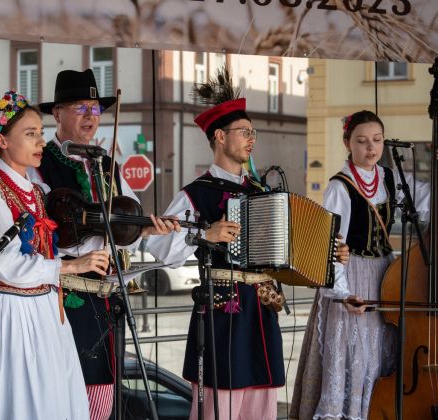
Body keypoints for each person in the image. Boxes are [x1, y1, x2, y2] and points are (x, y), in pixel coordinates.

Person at [0, 89, 111, 419]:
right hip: (9, 315)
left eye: (41, 133)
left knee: (52, 400)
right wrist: (70, 266)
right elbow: (8, 266)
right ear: (2, 141)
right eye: (30, 134)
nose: (40, 142)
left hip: (44, 313)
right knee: (20, 401)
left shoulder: (36, 192)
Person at [29, 68, 179, 420]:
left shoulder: (109, 165)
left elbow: (125, 223)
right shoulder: (40, 164)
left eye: (95, 110)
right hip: (64, 295)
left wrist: (147, 228)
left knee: (104, 388)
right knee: (67, 386)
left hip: (107, 296)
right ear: (58, 113)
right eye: (80, 108)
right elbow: (40, 228)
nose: (90, 117)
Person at [147, 67, 286, 420]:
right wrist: (203, 235)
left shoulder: (262, 193)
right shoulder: (195, 194)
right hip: (222, 313)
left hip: (260, 310)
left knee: (261, 406)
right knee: (219, 407)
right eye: (244, 132)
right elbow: (161, 250)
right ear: (221, 137)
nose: (251, 138)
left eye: (252, 132)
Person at [289, 110, 431, 420]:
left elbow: (428, 200)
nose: (371, 148)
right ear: (347, 143)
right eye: (362, 141)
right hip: (353, 275)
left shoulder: (392, 179)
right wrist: (341, 292)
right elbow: (329, 245)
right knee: (355, 358)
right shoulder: (340, 187)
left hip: (387, 276)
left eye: (377, 140)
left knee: (381, 357)